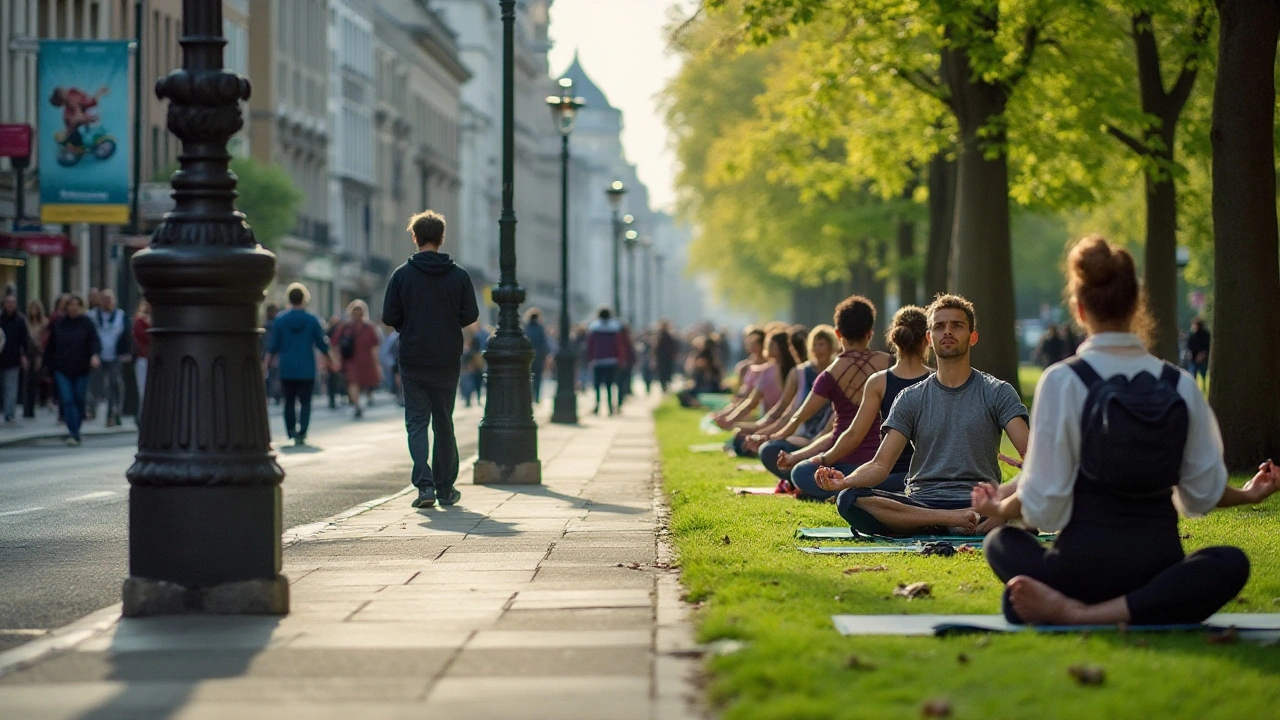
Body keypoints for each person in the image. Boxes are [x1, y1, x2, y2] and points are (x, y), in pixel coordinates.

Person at [971, 235, 1275, 626]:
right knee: (1229, 562)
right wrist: (1249, 495)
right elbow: (1202, 492)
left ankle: (1074, 611)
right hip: (1156, 573)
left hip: (1077, 574)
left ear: (1080, 309)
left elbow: (1042, 499)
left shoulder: (1062, 380)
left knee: (1001, 542)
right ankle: (1128, 611)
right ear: (1136, 305)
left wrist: (998, 508)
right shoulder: (1179, 383)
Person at [812, 294, 1030, 534]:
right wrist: (847, 481)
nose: (947, 332)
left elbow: (1035, 460)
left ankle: (947, 522)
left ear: (973, 336)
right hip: (923, 503)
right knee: (849, 498)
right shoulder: (910, 397)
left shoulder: (997, 391)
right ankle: (951, 520)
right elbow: (880, 465)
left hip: (981, 502)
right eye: (939, 326)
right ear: (929, 338)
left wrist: (1003, 509)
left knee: (1034, 489)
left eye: (957, 326)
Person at [383, 209, 479, 509]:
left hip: (413, 357)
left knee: (416, 423)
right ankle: (446, 488)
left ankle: (424, 486)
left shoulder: (402, 275)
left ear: (415, 237)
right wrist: (448, 325)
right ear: (441, 238)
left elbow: (389, 316)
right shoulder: (459, 275)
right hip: (447, 357)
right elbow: (471, 314)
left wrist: (410, 327)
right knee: (443, 422)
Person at [772, 296, 893, 500]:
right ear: (870, 333)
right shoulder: (889, 363)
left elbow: (799, 416)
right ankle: (857, 489)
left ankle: (839, 489)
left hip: (839, 461)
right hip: (882, 464)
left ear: (838, 334)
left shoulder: (829, 374)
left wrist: (774, 438)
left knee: (799, 472)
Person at [811, 306, 932, 492]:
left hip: (890, 476)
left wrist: (823, 460)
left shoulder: (878, 382)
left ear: (893, 337)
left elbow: (854, 434)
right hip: (927, 478)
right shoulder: (938, 380)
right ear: (928, 339)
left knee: (847, 495)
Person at [751, 325, 837, 481]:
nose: (818, 349)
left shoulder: (840, 372)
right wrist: (766, 433)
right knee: (768, 449)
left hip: (829, 442)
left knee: (802, 470)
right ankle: (799, 478)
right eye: (815, 344)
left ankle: (804, 478)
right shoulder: (799, 373)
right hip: (800, 437)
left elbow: (835, 424)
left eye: (822, 344)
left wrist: (813, 443)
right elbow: (788, 411)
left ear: (832, 346)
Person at [266, 283, 329, 446]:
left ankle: (290, 430)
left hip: (286, 368)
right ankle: (303, 431)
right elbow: (322, 344)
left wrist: (266, 363)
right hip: (307, 367)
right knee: (306, 402)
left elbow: (273, 346)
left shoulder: (280, 320)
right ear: (305, 298)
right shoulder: (312, 319)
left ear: (289, 299)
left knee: (288, 401)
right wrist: (331, 359)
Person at [719, 329, 799, 443]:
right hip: (779, 421)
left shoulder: (781, 372)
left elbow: (752, 402)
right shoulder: (795, 370)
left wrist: (730, 420)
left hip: (776, 421)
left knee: (739, 432)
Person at [45, 295, 101, 446]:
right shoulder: (59, 324)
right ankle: (73, 432)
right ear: (66, 307)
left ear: (80, 307)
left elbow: (94, 341)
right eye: (71, 304)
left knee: (79, 398)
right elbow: (51, 346)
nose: (74, 307)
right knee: (67, 400)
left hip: (82, 368)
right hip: (62, 369)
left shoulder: (86, 323)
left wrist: (94, 355)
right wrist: (47, 365)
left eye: (77, 304)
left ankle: (76, 428)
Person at [88, 289, 129, 427]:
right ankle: (91, 409)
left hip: (115, 356)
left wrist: (125, 352)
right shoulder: (93, 315)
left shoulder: (120, 315)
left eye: (109, 299)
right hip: (98, 356)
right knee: (96, 384)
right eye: (104, 299)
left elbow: (127, 334)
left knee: (113, 383)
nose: (107, 302)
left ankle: (112, 413)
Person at [334, 300, 380, 419]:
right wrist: (376, 364)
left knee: (353, 383)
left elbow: (334, 343)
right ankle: (359, 403)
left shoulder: (346, 327)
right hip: (362, 361)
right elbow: (374, 347)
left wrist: (337, 359)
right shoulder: (368, 327)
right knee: (358, 383)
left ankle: (357, 405)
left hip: (351, 361)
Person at [586, 308, 624, 415]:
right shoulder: (615, 329)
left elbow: (590, 345)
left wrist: (590, 357)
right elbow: (619, 346)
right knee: (609, 385)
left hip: (598, 360)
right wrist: (619, 359)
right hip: (612, 360)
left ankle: (597, 406)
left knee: (597, 385)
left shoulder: (594, 328)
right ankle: (611, 407)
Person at [0, 295, 30, 425]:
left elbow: (25, 340)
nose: (10, 305)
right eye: (8, 302)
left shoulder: (20, 320)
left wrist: (24, 356)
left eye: (13, 302)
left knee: (11, 388)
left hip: (13, 358)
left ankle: (9, 414)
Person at [23, 299, 49, 416]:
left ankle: (40, 402)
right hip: (28, 355)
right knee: (28, 382)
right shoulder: (25, 323)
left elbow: (45, 340)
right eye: (32, 309)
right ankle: (27, 408)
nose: (34, 311)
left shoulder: (44, 323)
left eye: (36, 309)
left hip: (40, 355)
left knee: (39, 380)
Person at [525, 308, 551, 404]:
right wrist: (546, 356)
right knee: (538, 377)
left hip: (528, 356)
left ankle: (529, 396)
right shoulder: (540, 328)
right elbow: (544, 343)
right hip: (539, 356)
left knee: (528, 377)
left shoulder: (526, 328)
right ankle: (537, 396)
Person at [131, 300, 151, 417]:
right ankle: (143, 416)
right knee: (142, 390)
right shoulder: (139, 321)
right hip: (143, 358)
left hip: (154, 358)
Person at [1186, 318, 1210, 390]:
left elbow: (1207, 346)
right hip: (1193, 359)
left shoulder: (1205, 335)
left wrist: (1203, 354)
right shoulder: (1192, 335)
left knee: (1203, 376)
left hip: (1203, 359)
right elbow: (1189, 346)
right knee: (1193, 376)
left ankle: (1203, 389)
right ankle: (1194, 389)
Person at [655, 321, 678, 392]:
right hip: (662, 358)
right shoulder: (659, 336)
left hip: (667, 358)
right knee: (663, 373)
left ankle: (666, 387)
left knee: (667, 373)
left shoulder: (668, 336)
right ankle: (664, 387)